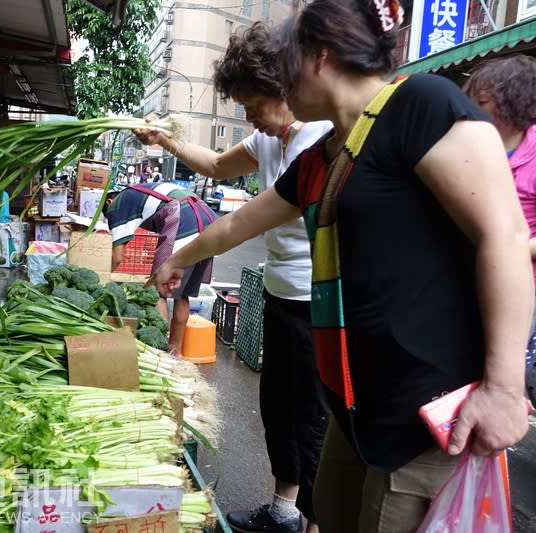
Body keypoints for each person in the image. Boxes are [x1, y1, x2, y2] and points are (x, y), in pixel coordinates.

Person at [149, 1, 533, 531]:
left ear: (318, 56)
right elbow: (239, 225)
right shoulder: (325, 153)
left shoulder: (420, 104)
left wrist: (505, 390)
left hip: (421, 412)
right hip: (355, 408)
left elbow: (505, 235)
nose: (280, 84)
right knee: (328, 509)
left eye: (284, 63)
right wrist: (178, 259)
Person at [135, 21, 331, 533]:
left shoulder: (322, 138)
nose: (249, 119)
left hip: (322, 302)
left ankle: (312, 521)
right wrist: (166, 140)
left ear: (284, 89)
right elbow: (219, 164)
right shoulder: (269, 138)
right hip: (280, 292)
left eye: (252, 107)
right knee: (278, 407)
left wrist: (176, 258)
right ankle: (284, 509)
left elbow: (240, 222)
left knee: (311, 423)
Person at [464, 55, 536, 378]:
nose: (473, 110)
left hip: (516, 285)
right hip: (464, 274)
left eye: (482, 102)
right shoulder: (470, 141)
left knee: (504, 372)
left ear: (514, 103)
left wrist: (509, 247)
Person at [104, 182, 217, 354]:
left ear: (108, 202)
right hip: (210, 221)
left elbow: (117, 256)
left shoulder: (116, 205)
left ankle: (160, 352)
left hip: (183, 219)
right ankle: (175, 354)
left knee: (158, 291)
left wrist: (101, 279)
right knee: (182, 295)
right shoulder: (137, 192)